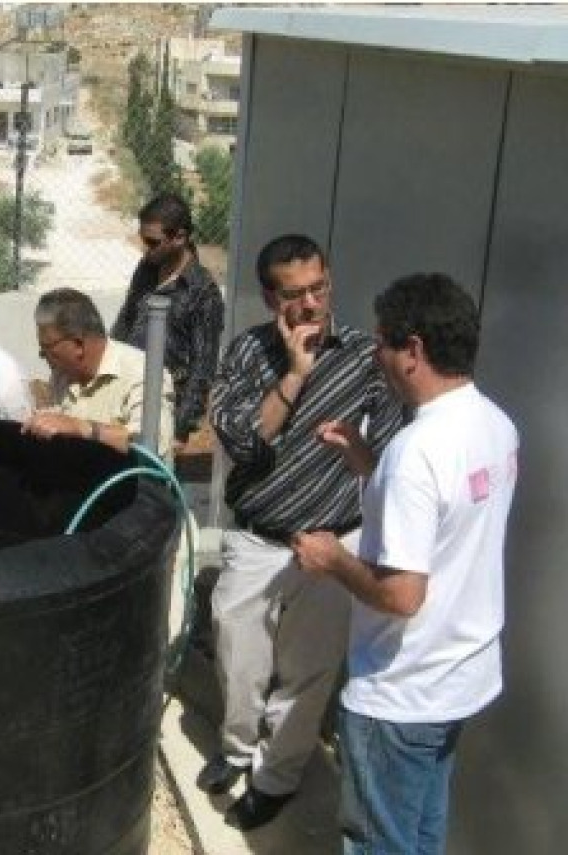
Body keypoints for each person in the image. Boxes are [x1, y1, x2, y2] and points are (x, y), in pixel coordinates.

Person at [293, 273, 518, 854]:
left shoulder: (416, 453)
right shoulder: (495, 424)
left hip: (402, 692)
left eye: (383, 343)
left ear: (413, 351)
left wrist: (333, 558)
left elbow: (401, 596)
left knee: (380, 844)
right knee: (420, 834)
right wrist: (368, 463)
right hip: (459, 676)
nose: (376, 355)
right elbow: (448, 525)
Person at [204, 234, 403, 830]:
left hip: (332, 544)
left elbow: (391, 451)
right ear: (270, 296)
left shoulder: (368, 358)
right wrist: (294, 375)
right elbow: (241, 442)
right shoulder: (246, 353)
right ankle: (238, 749)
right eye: (295, 294)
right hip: (259, 540)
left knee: (307, 670)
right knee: (238, 657)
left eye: (320, 287)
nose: (311, 303)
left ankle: (277, 776)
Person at [111, 193, 225, 455]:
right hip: (126, 396)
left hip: (163, 409)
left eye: (153, 242)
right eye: (143, 240)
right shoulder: (147, 268)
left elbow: (202, 368)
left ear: (180, 237)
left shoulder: (202, 293)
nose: (145, 249)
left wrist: (181, 429)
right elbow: (126, 320)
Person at [22, 287, 174, 459]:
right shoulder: (62, 375)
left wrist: (83, 428)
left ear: (78, 344)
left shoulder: (142, 373)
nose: (43, 357)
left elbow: (152, 446)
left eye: (47, 350)